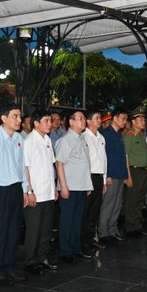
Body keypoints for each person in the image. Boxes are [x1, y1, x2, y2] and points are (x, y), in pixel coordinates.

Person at [0, 104, 29, 286]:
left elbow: (22, 166)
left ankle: (9, 267)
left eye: (19, 116)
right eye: (15, 116)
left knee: (13, 231)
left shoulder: (18, 138)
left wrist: (25, 189)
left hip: (16, 189)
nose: (19, 120)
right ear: (4, 118)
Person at [55, 109, 93, 265]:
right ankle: (65, 251)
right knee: (67, 220)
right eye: (80, 119)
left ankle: (75, 248)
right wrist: (63, 186)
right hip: (69, 187)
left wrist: (88, 183)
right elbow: (59, 163)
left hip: (81, 186)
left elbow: (85, 163)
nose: (83, 121)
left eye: (84, 118)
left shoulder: (81, 138)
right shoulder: (66, 140)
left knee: (78, 220)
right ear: (71, 122)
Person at [23, 111, 58, 274]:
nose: (49, 124)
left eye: (50, 121)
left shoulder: (47, 140)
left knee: (45, 229)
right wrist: (29, 190)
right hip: (35, 193)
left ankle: (42, 257)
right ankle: (30, 260)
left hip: (48, 192)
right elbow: (26, 168)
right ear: (36, 123)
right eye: (46, 121)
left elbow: (51, 166)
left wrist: (54, 188)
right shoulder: (29, 141)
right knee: (33, 229)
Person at [98, 108, 128, 244]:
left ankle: (112, 229)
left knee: (117, 204)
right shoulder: (105, 134)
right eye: (122, 118)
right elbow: (104, 157)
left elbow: (122, 156)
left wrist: (125, 175)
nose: (124, 122)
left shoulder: (119, 135)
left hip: (120, 174)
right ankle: (103, 232)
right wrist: (107, 175)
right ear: (115, 119)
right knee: (108, 204)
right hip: (111, 175)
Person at [123, 106, 147, 238]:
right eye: (140, 119)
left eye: (143, 119)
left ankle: (137, 225)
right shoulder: (129, 136)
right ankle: (130, 227)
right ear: (133, 121)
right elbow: (126, 156)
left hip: (143, 171)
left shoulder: (141, 135)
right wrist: (128, 176)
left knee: (140, 200)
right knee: (132, 200)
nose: (143, 121)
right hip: (134, 171)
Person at [81, 108, 107, 250]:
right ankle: (83, 240)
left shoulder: (101, 138)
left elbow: (104, 160)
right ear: (89, 121)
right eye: (96, 118)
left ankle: (91, 239)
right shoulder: (83, 137)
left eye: (99, 118)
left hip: (98, 176)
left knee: (95, 210)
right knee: (86, 209)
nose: (99, 120)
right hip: (88, 177)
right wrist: (85, 182)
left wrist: (103, 180)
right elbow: (84, 161)